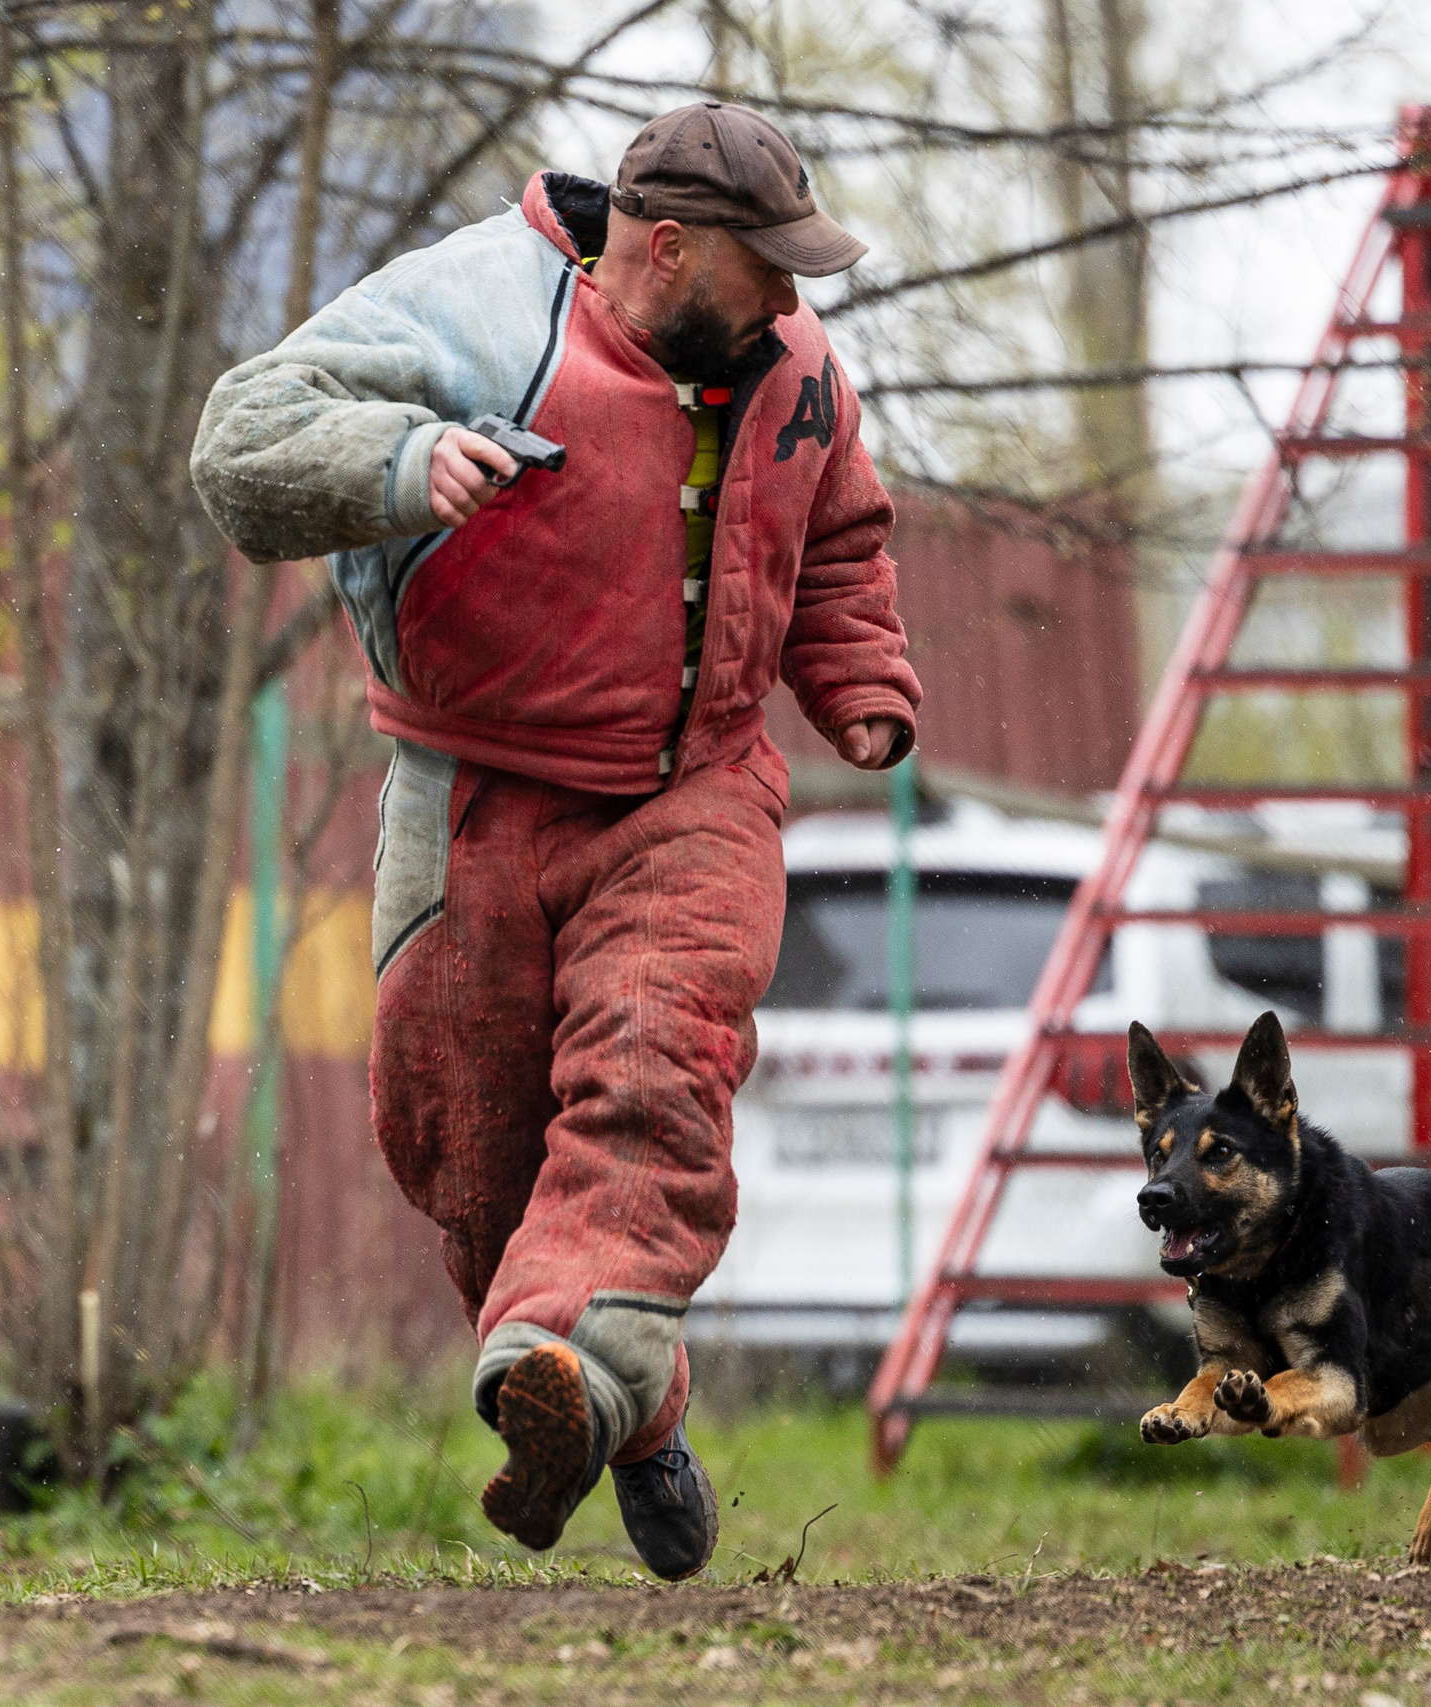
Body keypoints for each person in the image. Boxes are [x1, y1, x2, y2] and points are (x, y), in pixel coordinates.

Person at [190, 102, 918, 1580]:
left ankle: (575, 1360)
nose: (791, 300)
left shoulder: (796, 373)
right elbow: (237, 450)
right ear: (665, 247)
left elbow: (836, 538)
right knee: (471, 1163)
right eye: (765, 269)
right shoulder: (472, 309)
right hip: (468, 791)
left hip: (691, 792)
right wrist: (400, 462)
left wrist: (860, 687)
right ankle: (622, 1411)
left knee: (657, 1063)